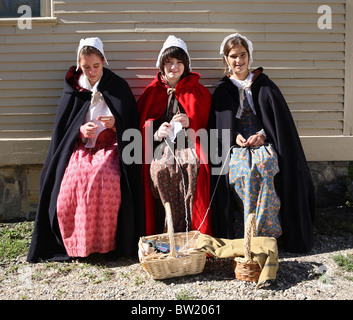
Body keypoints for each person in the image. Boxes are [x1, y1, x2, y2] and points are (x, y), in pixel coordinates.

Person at [27, 37, 144, 262]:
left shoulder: (117, 86)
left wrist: (116, 124)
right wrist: (80, 130)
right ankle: (78, 244)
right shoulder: (74, 88)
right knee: (73, 183)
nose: (91, 71)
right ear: (79, 65)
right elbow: (65, 127)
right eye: (86, 67)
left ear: (103, 61)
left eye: (96, 66)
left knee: (103, 177)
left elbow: (131, 122)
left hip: (110, 146)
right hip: (80, 148)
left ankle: (103, 245)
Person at [210, 33, 315, 253]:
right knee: (242, 173)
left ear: (249, 56)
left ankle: (267, 235)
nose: (238, 61)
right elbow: (219, 127)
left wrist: (263, 135)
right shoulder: (222, 90)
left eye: (242, 55)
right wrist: (233, 137)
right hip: (237, 148)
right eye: (233, 56)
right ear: (226, 60)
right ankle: (245, 235)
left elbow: (278, 124)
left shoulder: (264, 85)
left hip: (262, 142)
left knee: (266, 167)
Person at [137, 35, 212, 236]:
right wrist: (154, 132)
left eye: (179, 62)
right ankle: (166, 227)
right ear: (161, 64)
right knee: (160, 169)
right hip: (161, 148)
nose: (174, 67)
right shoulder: (152, 91)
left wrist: (191, 124)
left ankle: (189, 227)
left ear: (186, 65)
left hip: (188, 145)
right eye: (169, 62)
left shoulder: (198, 92)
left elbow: (206, 125)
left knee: (191, 167)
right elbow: (140, 126)